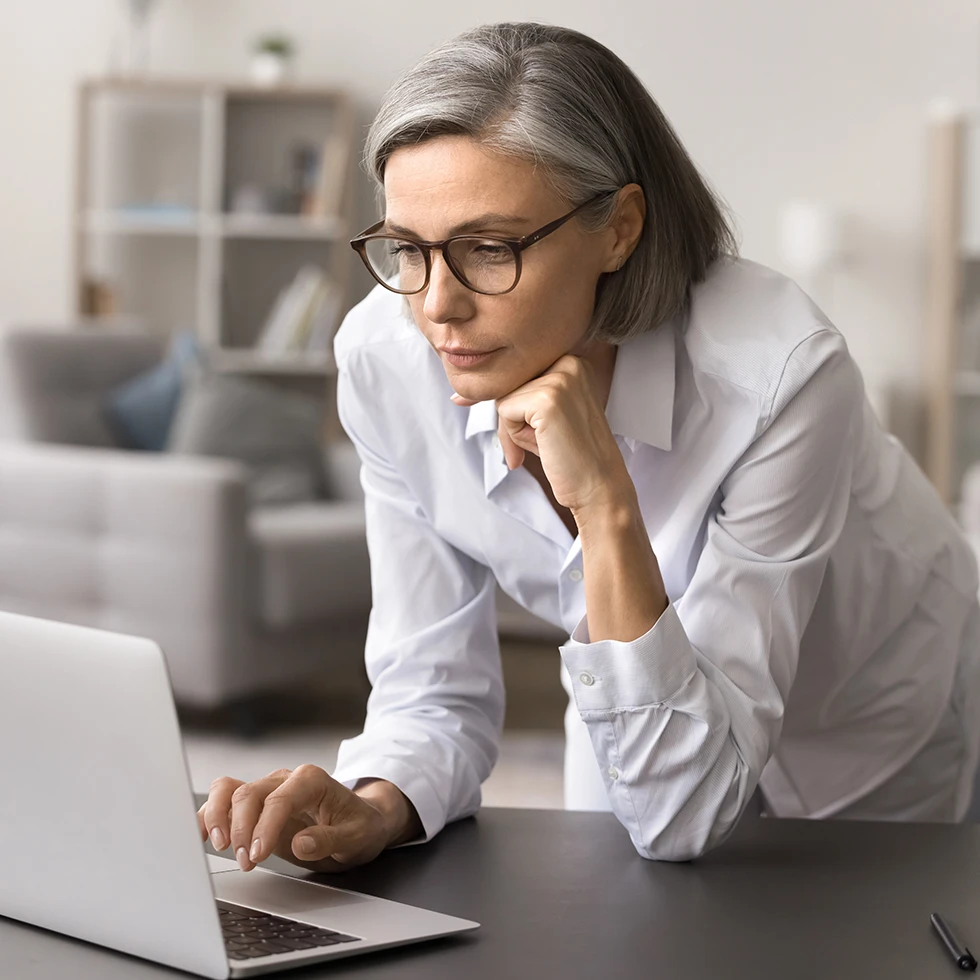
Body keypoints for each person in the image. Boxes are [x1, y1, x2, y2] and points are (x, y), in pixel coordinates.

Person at [198, 21, 980, 869]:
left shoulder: (779, 376)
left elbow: (685, 805)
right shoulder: (385, 362)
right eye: (408, 251)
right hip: (646, 685)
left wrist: (605, 500)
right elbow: (430, 687)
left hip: (867, 715)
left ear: (619, 227)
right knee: (613, 914)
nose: (437, 307)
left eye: (488, 249)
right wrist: (375, 802)